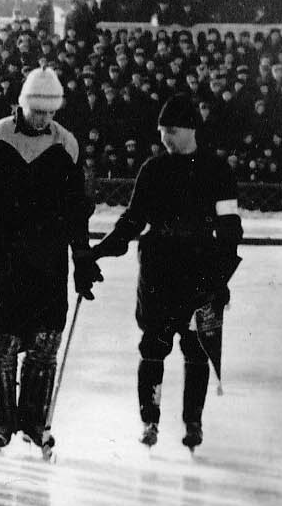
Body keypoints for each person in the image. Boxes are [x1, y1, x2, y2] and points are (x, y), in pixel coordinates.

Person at [86, 94, 242, 451]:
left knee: (196, 348)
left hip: (201, 268)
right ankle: (149, 419)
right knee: (153, 346)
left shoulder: (217, 170)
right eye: (161, 131)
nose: (165, 139)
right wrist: (101, 249)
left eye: (171, 131)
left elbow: (230, 228)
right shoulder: (153, 170)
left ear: (191, 129)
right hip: (158, 268)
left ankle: (193, 420)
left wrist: (221, 280)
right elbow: (133, 219)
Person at [0, 68, 98, 457]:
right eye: (36, 109)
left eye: (49, 111)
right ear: (23, 103)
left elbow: (76, 211)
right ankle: (0, 420)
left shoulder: (66, 144)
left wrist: (82, 259)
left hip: (47, 261)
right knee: (1, 342)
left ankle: (33, 420)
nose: (42, 118)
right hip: (1, 258)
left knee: (45, 343)